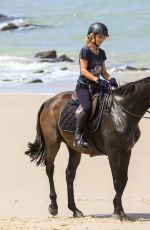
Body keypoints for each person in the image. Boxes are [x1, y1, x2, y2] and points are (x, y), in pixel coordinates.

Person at [74, 22, 118, 148]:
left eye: (104, 37)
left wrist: (110, 78)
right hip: (83, 86)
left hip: (96, 86)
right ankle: (77, 137)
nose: (102, 39)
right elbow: (83, 71)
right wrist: (97, 79)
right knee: (87, 108)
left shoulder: (101, 53)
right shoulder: (85, 51)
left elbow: (103, 72)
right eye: (100, 36)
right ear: (91, 36)